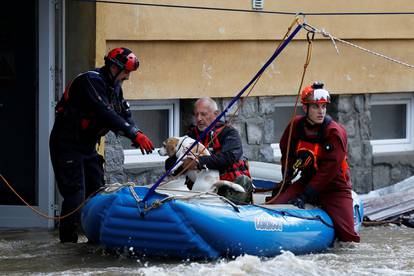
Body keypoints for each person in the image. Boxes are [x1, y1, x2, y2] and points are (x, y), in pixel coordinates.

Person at [49, 47, 154, 243]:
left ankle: (95, 239)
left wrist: (136, 132)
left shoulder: (114, 87)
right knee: (75, 195)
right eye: (126, 72)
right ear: (114, 67)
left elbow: (123, 114)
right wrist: (132, 133)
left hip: (88, 147)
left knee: (97, 191)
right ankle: (67, 244)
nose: (127, 77)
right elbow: (105, 112)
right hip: (67, 144)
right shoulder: (90, 81)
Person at [266, 82, 360, 243]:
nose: (321, 111)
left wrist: (306, 195)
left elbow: (328, 170)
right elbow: (287, 152)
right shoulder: (295, 126)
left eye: (323, 107)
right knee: (275, 205)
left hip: (334, 187)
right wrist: (287, 176)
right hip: (306, 181)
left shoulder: (334, 132)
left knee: (348, 237)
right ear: (305, 108)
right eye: (316, 107)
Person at [173, 97, 253, 203]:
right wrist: (183, 164)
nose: (198, 119)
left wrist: (199, 162)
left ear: (216, 114)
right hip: (200, 192)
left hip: (227, 188)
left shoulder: (229, 133)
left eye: (203, 114)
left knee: (243, 181)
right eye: (196, 114)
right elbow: (169, 163)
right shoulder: (190, 136)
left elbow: (229, 157)